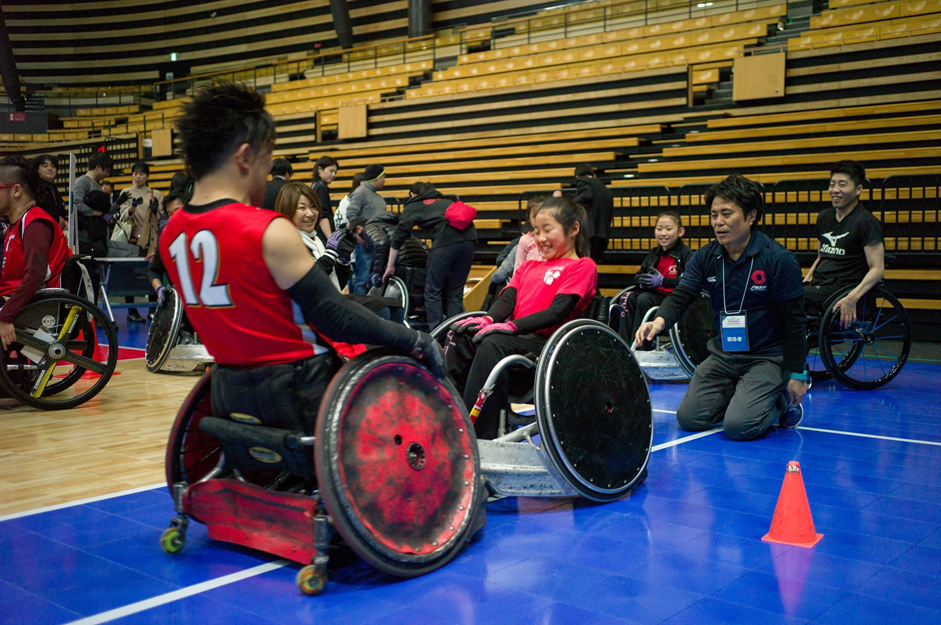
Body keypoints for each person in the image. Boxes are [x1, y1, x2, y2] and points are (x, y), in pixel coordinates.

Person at [159, 83, 443, 435]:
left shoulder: (171, 235)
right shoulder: (266, 229)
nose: (266, 179)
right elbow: (335, 316)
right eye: (267, 163)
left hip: (227, 392)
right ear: (245, 157)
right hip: (298, 392)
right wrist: (414, 339)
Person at [636, 175, 808, 441]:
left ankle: (780, 400)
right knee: (689, 419)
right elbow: (681, 296)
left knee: (739, 427)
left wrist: (798, 372)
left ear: (751, 216)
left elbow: (795, 322)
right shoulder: (706, 256)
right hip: (724, 354)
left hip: (766, 357)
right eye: (714, 215)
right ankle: (745, 397)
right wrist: (658, 322)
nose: (718, 222)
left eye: (727, 214)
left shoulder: (778, 259)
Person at [444, 197, 597, 439]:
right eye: (536, 231)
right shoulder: (528, 266)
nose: (540, 238)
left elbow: (558, 311)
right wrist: (489, 319)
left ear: (573, 229)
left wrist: (512, 326)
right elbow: (508, 300)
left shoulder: (582, 266)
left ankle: (478, 435)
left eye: (547, 230)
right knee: (462, 335)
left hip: (546, 350)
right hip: (516, 340)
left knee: (492, 342)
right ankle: (450, 415)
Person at [274, 181, 404, 324]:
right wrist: (330, 254)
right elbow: (308, 284)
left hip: (329, 301)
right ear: (287, 210)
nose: (310, 213)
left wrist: (343, 260)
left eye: (313, 207)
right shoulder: (285, 243)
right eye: (302, 208)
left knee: (394, 306)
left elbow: (335, 284)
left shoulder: (315, 240)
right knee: (380, 310)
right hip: (309, 312)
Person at [384, 182, 478, 329]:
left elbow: (398, 236)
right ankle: (454, 335)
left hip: (445, 242)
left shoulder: (413, 205)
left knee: (432, 291)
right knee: (455, 292)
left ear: (412, 195)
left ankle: (437, 333)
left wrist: (390, 266)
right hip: (470, 240)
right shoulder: (446, 201)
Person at [803, 160, 884, 328]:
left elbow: (877, 269)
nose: (835, 190)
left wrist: (852, 298)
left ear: (858, 189)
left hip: (843, 289)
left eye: (842, 184)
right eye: (832, 184)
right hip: (820, 286)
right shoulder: (824, 217)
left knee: (790, 296)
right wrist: (806, 280)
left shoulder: (866, 222)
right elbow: (821, 256)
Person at [0, 157, 70, 349]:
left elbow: (36, 274)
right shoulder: (13, 225)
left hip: (34, 307)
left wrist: (5, 316)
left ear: (16, 190)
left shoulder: (35, 223)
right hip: (14, 300)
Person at [612, 211, 691, 350]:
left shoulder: (686, 254)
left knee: (644, 299)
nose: (663, 233)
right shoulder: (654, 253)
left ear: (680, 231)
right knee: (627, 297)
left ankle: (641, 346)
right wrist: (642, 281)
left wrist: (663, 281)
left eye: (668, 229)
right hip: (654, 295)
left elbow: (688, 281)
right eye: (659, 229)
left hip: (673, 300)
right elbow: (638, 275)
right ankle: (623, 345)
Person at [553, 164, 613, 264]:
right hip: (603, 232)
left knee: (584, 262)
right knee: (592, 262)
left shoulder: (583, 181)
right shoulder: (602, 186)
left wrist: (571, 204)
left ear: (577, 176)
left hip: (591, 232)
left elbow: (587, 195)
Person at [346, 164, 388, 294]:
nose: (384, 180)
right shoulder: (361, 192)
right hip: (365, 244)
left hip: (376, 243)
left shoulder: (377, 197)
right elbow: (351, 214)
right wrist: (358, 235)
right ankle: (361, 305)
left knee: (373, 279)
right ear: (377, 177)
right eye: (383, 177)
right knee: (363, 279)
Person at [73, 152, 112, 255]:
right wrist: (97, 213)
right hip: (85, 234)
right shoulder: (82, 182)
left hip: (95, 232)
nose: (108, 175)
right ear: (98, 167)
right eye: (107, 171)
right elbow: (76, 203)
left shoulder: (97, 185)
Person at [31, 154, 66, 228]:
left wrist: (64, 221)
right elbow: (36, 210)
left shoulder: (52, 187)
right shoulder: (34, 188)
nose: (50, 168)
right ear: (37, 169)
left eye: (53, 166)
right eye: (45, 166)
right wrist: (57, 219)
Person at [514, 196, 547, 271]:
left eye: (542, 214)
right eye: (534, 215)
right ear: (528, 217)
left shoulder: (551, 238)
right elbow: (518, 268)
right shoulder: (524, 240)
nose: (538, 218)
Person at [310, 155, 337, 243]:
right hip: (323, 236)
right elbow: (323, 216)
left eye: (335, 172)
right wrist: (331, 239)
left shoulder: (315, 185)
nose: (333, 175)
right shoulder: (321, 187)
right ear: (319, 169)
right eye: (331, 171)